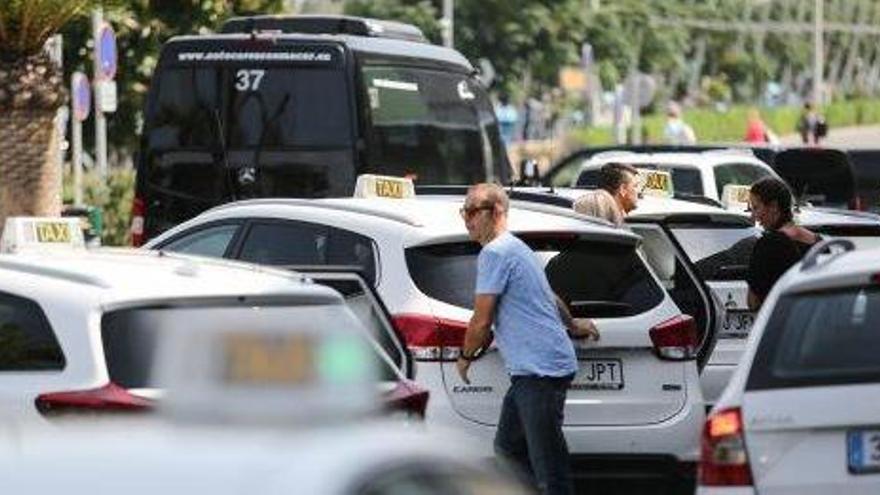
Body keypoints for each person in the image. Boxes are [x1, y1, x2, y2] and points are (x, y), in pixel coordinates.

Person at [456, 183, 599, 495]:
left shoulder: (495, 253)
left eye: (471, 211)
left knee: (549, 466)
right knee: (508, 449)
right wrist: (573, 324)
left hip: (541, 370)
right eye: (463, 211)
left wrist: (466, 357)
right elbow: (550, 297)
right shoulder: (515, 247)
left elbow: (482, 320)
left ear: (496, 213)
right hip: (532, 370)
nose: (465, 219)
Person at [746, 177, 820, 310]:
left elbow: (753, 302)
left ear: (773, 206)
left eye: (756, 208)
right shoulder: (818, 242)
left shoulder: (767, 244)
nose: (754, 216)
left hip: (781, 324)